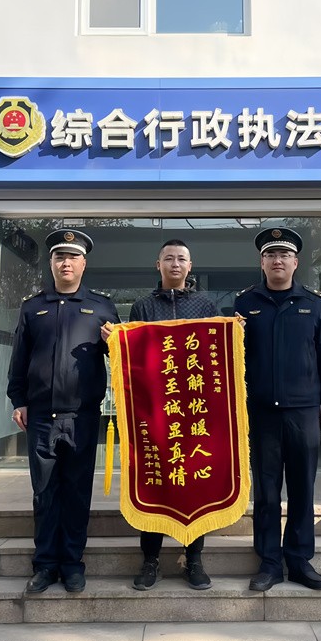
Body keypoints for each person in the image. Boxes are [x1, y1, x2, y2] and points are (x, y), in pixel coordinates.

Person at [8, 229, 119, 595]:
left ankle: (72, 564)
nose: (66, 263)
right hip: (41, 417)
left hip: (82, 416)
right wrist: (18, 400)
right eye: (59, 257)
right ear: (52, 263)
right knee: (44, 493)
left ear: (83, 264)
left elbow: (123, 361)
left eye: (72, 257)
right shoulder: (33, 307)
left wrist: (115, 345)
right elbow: (19, 359)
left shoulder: (102, 308)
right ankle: (44, 565)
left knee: (76, 492)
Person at [234, 227, 321, 593]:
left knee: (301, 488)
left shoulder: (314, 303)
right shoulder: (245, 304)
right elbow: (231, 358)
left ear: (295, 262)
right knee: (265, 491)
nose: (277, 260)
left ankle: (299, 560)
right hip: (261, 412)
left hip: (303, 411)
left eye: (284, 255)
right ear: (261, 262)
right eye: (270, 255)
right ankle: (269, 563)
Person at [128, 238, 218, 591]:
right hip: (155, 411)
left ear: (190, 266)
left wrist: (233, 333)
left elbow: (214, 353)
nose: (175, 264)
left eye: (181, 259)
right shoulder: (143, 306)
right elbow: (133, 356)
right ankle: (150, 560)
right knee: (154, 483)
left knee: (195, 485)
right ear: (159, 264)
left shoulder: (205, 305)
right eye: (169, 258)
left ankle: (193, 560)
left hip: (194, 412)